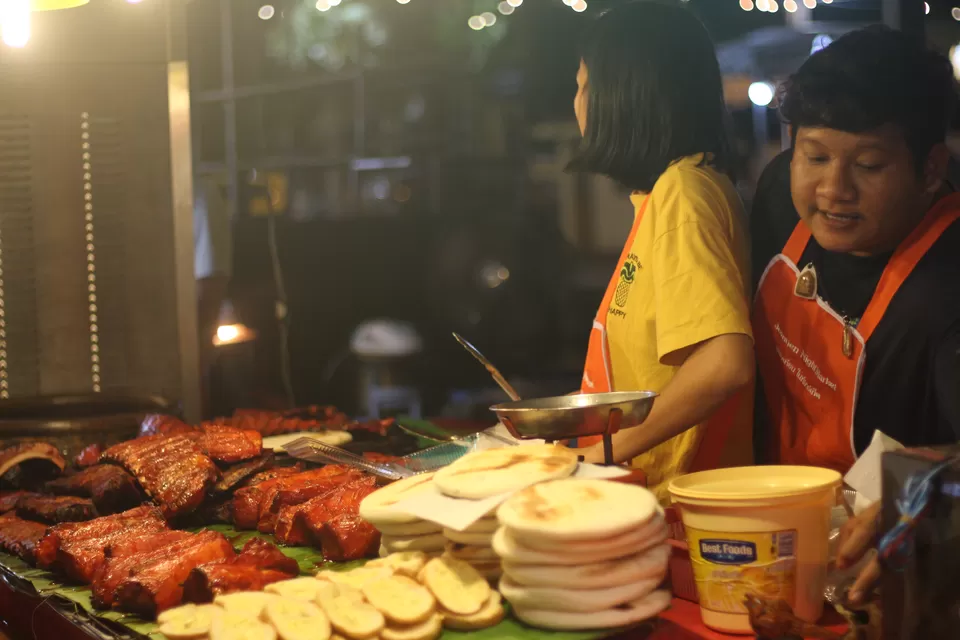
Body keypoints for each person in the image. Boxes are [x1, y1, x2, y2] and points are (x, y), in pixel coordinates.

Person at [751, 26, 960, 474]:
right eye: (815, 157)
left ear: (930, 169)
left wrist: (923, 483)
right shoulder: (777, 200)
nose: (833, 190)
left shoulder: (947, 283)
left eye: (868, 165)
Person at [569, 1, 755, 502]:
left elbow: (725, 361)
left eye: (584, 85)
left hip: (682, 511)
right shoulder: (675, 190)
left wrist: (608, 451)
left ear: (624, 96)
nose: (577, 102)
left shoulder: (684, 193)